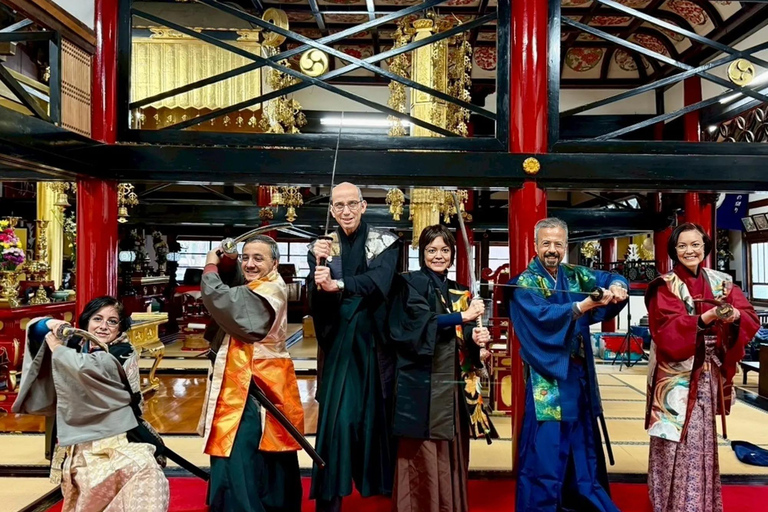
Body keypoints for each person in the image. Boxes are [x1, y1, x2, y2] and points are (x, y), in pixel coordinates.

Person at [507, 217, 628, 512]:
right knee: (546, 448)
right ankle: (544, 505)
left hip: (576, 373)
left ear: (565, 246)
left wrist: (616, 285)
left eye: (558, 244)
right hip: (547, 374)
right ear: (535, 246)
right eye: (546, 243)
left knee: (580, 441)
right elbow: (542, 317)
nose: (552, 249)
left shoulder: (574, 275)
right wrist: (581, 306)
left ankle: (579, 499)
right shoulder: (525, 282)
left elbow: (607, 277)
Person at [13, 296, 170, 512]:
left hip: (117, 436)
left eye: (112, 321)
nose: (104, 326)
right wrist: (53, 324)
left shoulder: (122, 351)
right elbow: (37, 330)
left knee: (144, 470)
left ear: (120, 327)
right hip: (81, 440)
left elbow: (90, 368)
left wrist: (58, 349)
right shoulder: (76, 344)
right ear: (86, 321)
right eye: (98, 319)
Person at [644, 222, 758, 512]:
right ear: (673, 251)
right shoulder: (664, 285)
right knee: (672, 440)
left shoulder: (722, 282)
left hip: (708, 372)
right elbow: (666, 328)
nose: (689, 251)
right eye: (682, 246)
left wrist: (733, 316)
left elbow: (748, 316)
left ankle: (699, 504)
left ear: (706, 248)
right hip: (674, 376)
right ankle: (670, 505)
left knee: (700, 441)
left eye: (695, 244)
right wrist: (704, 318)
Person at [307, 182, 401, 512]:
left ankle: (381, 488)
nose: (345, 211)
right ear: (331, 210)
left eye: (351, 204)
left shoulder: (385, 241)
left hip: (374, 340)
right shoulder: (323, 246)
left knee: (376, 416)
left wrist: (340, 284)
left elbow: (380, 281)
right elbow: (317, 296)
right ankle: (331, 495)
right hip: (339, 340)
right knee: (337, 419)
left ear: (363, 206)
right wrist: (318, 275)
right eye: (338, 206)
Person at [387, 224, 493, 512]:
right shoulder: (408, 284)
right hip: (421, 382)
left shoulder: (459, 290)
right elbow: (413, 326)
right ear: (421, 253)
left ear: (452, 254)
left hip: (453, 386)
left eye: (445, 250)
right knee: (421, 449)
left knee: (451, 449)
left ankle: (450, 505)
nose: (438, 256)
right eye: (431, 250)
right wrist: (463, 316)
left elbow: (465, 334)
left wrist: (475, 336)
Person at [200, 234, 304, 512]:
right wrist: (229, 259)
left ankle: (246, 506)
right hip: (249, 374)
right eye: (246, 258)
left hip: (256, 380)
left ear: (275, 263)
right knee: (255, 445)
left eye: (258, 258)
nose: (250, 264)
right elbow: (236, 285)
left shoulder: (268, 290)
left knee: (242, 445)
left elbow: (225, 298)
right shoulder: (259, 283)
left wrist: (210, 267)